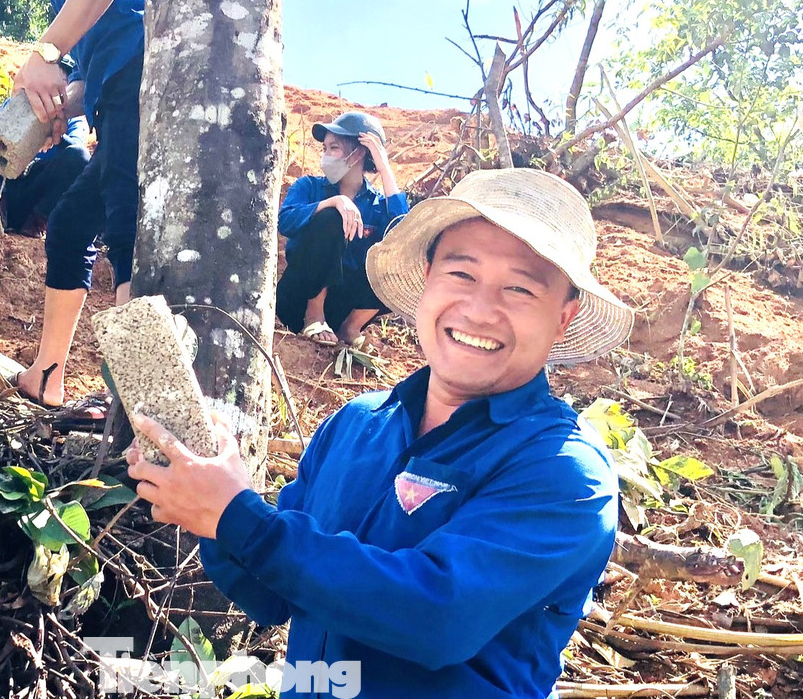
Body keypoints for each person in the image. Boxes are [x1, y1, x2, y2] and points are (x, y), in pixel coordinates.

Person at [127, 168, 634, 699]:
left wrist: (239, 520)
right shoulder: (356, 424)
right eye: (461, 274)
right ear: (428, 277)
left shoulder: (563, 471)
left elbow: (437, 617)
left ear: (563, 316)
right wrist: (206, 504)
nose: (481, 310)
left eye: (520, 288)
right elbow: (273, 594)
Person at [6, 0, 147, 408]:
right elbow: (109, 31)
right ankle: (48, 375)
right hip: (114, 83)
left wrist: (44, 53)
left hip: (135, 81)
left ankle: (142, 409)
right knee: (69, 225)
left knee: (124, 230)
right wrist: (70, 98)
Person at [277, 111, 407, 347]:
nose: (325, 155)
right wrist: (332, 203)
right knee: (331, 218)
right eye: (324, 149)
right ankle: (313, 316)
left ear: (358, 153)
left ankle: (351, 328)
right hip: (297, 297)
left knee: (401, 250)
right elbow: (285, 221)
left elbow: (403, 232)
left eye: (333, 148)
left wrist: (385, 168)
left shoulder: (377, 205)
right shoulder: (309, 186)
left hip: (342, 307)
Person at [0, 114, 90, 237]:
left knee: (79, 155)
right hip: (6, 191)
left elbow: (78, 149)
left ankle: (36, 222)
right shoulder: (16, 107)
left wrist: (54, 133)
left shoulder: (74, 119)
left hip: (35, 197)